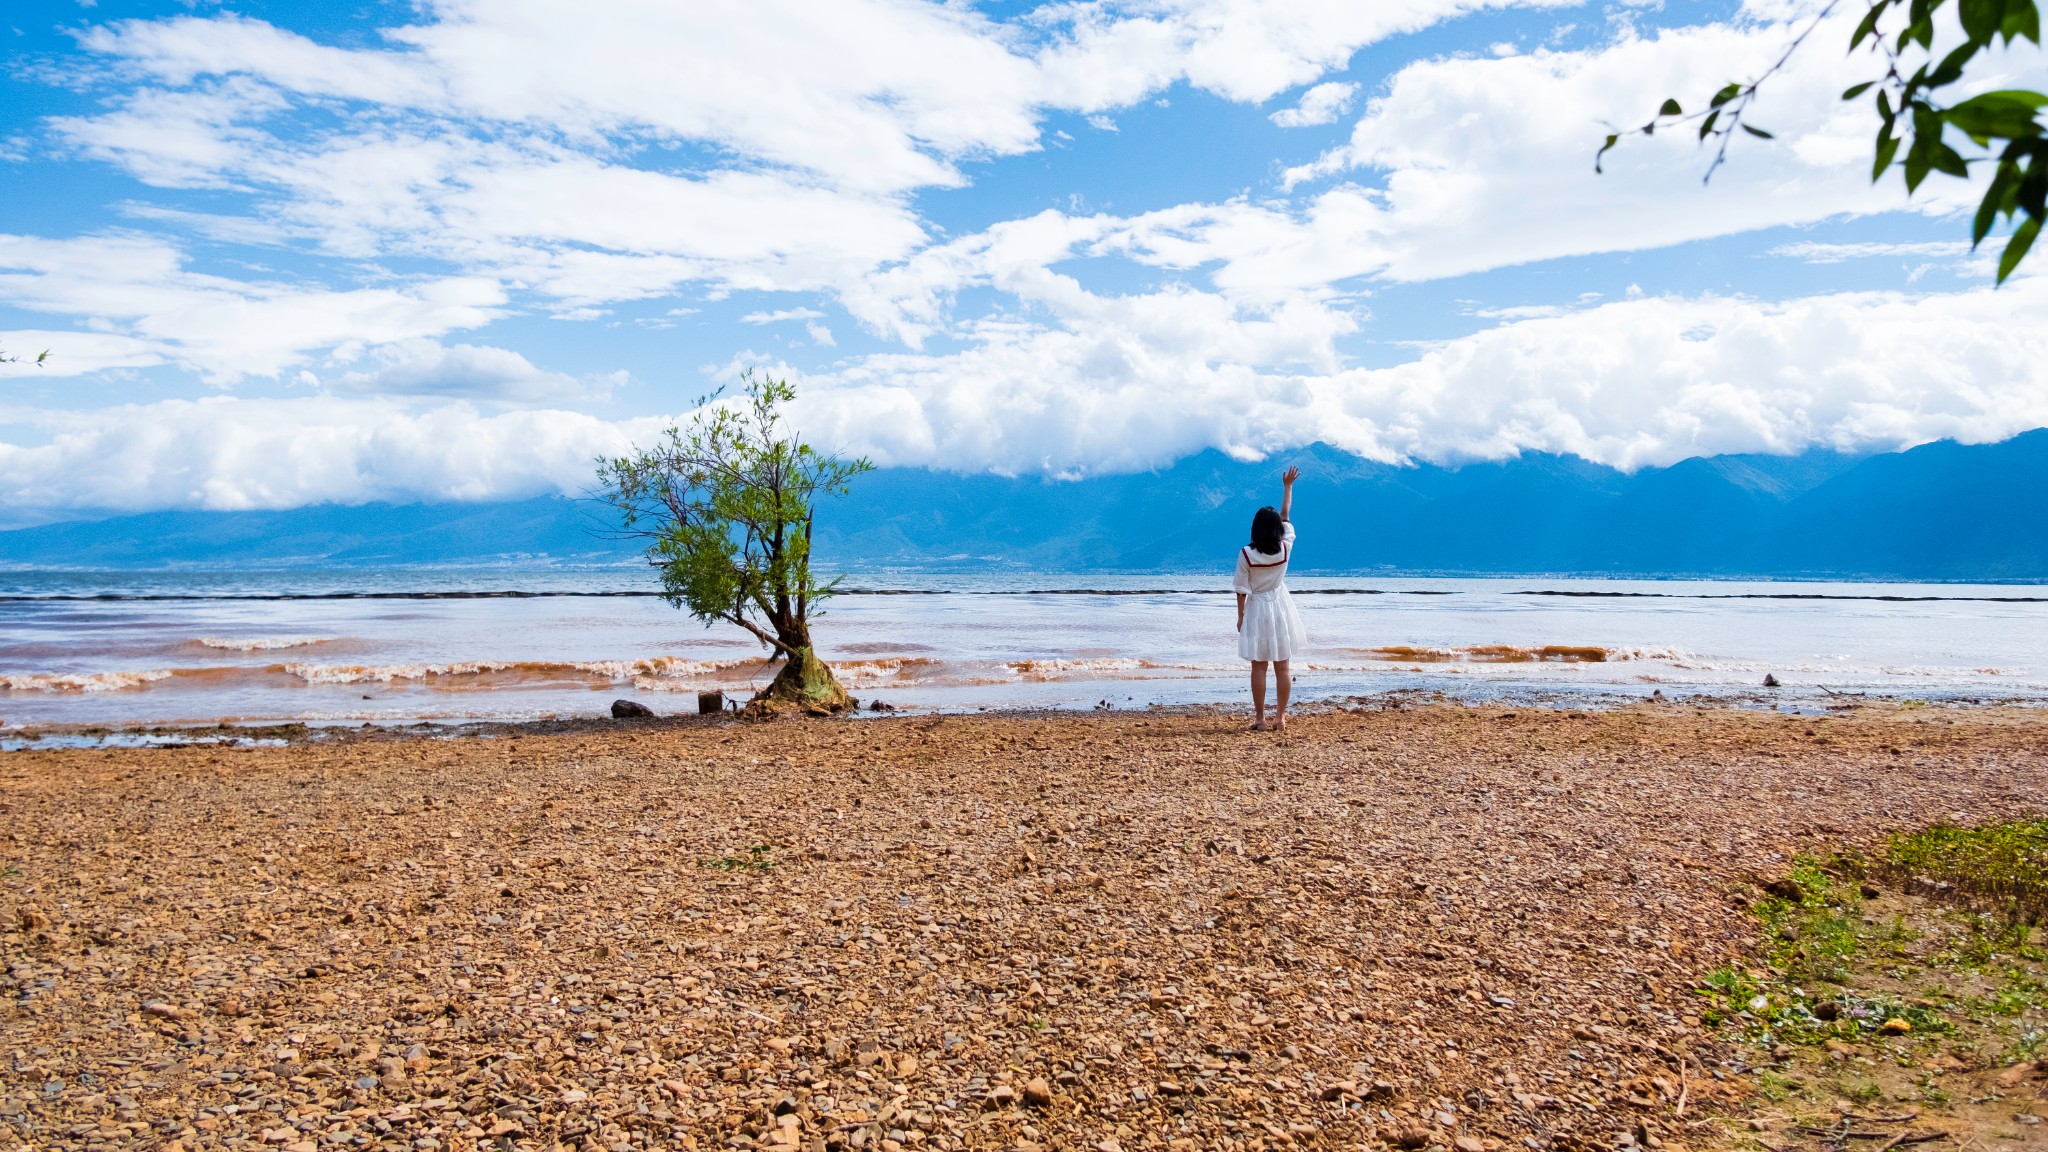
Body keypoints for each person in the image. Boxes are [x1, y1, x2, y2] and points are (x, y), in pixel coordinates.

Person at [1233, 466, 1307, 731]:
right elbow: (1285, 516)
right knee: (1283, 666)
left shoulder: (1246, 553)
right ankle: (1281, 718)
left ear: (1255, 528)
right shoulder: (1285, 548)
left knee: (1259, 666)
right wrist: (1288, 487)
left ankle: (1260, 719)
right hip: (1280, 604)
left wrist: (1240, 617)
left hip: (1257, 607)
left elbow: (1242, 589)